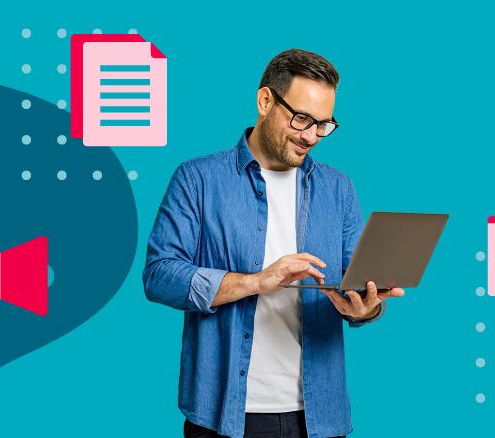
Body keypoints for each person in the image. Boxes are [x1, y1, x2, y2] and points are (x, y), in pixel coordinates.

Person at [143, 48, 405, 438]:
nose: (311, 136)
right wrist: (256, 282)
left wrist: (365, 308)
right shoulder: (197, 179)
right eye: (302, 119)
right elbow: (159, 276)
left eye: (323, 125)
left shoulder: (339, 188)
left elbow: (354, 283)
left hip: (320, 417)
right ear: (265, 101)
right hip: (223, 416)